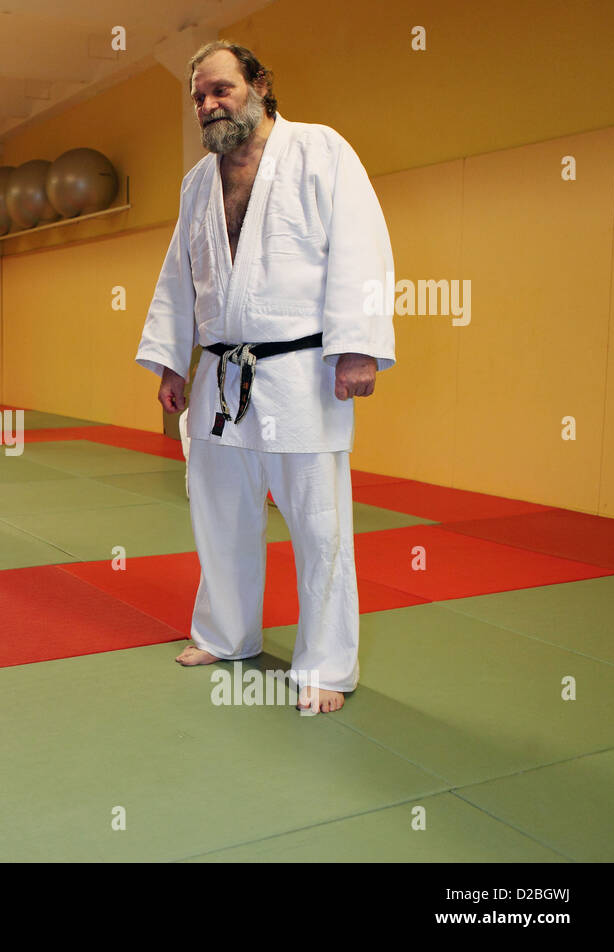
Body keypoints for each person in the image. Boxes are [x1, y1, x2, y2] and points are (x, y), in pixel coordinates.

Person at [136, 41, 395, 714]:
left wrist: (358, 346)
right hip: (221, 374)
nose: (208, 105)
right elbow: (178, 277)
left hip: (301, 373)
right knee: (219, 512)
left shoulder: (320, 151)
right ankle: (225, 634)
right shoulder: (198, 182)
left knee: (318, 524)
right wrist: (172, 358)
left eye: (220, 89)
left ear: (259, 85)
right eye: (198, 96)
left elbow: (362, 249)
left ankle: (326, 664)